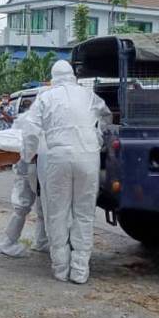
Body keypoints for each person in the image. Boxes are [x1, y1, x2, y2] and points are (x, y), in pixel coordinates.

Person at [21, 60, 112, 284]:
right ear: (72, 75)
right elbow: (106, 118)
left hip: (56, 158)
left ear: (54, 77)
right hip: (87, 157)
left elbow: (31, 131)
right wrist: (96, 140)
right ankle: (80, 270)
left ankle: (60, 268)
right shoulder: (89, 96)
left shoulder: (45, 98)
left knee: (57, 212)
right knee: (84, 213)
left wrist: (26, 157)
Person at [0, 113, 48, 257]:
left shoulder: (26, 117)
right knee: (22, 205)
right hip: (29, 165)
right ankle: (8, 242)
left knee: (41, 206)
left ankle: (41, 241)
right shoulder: (34, 118)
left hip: (32, 165)